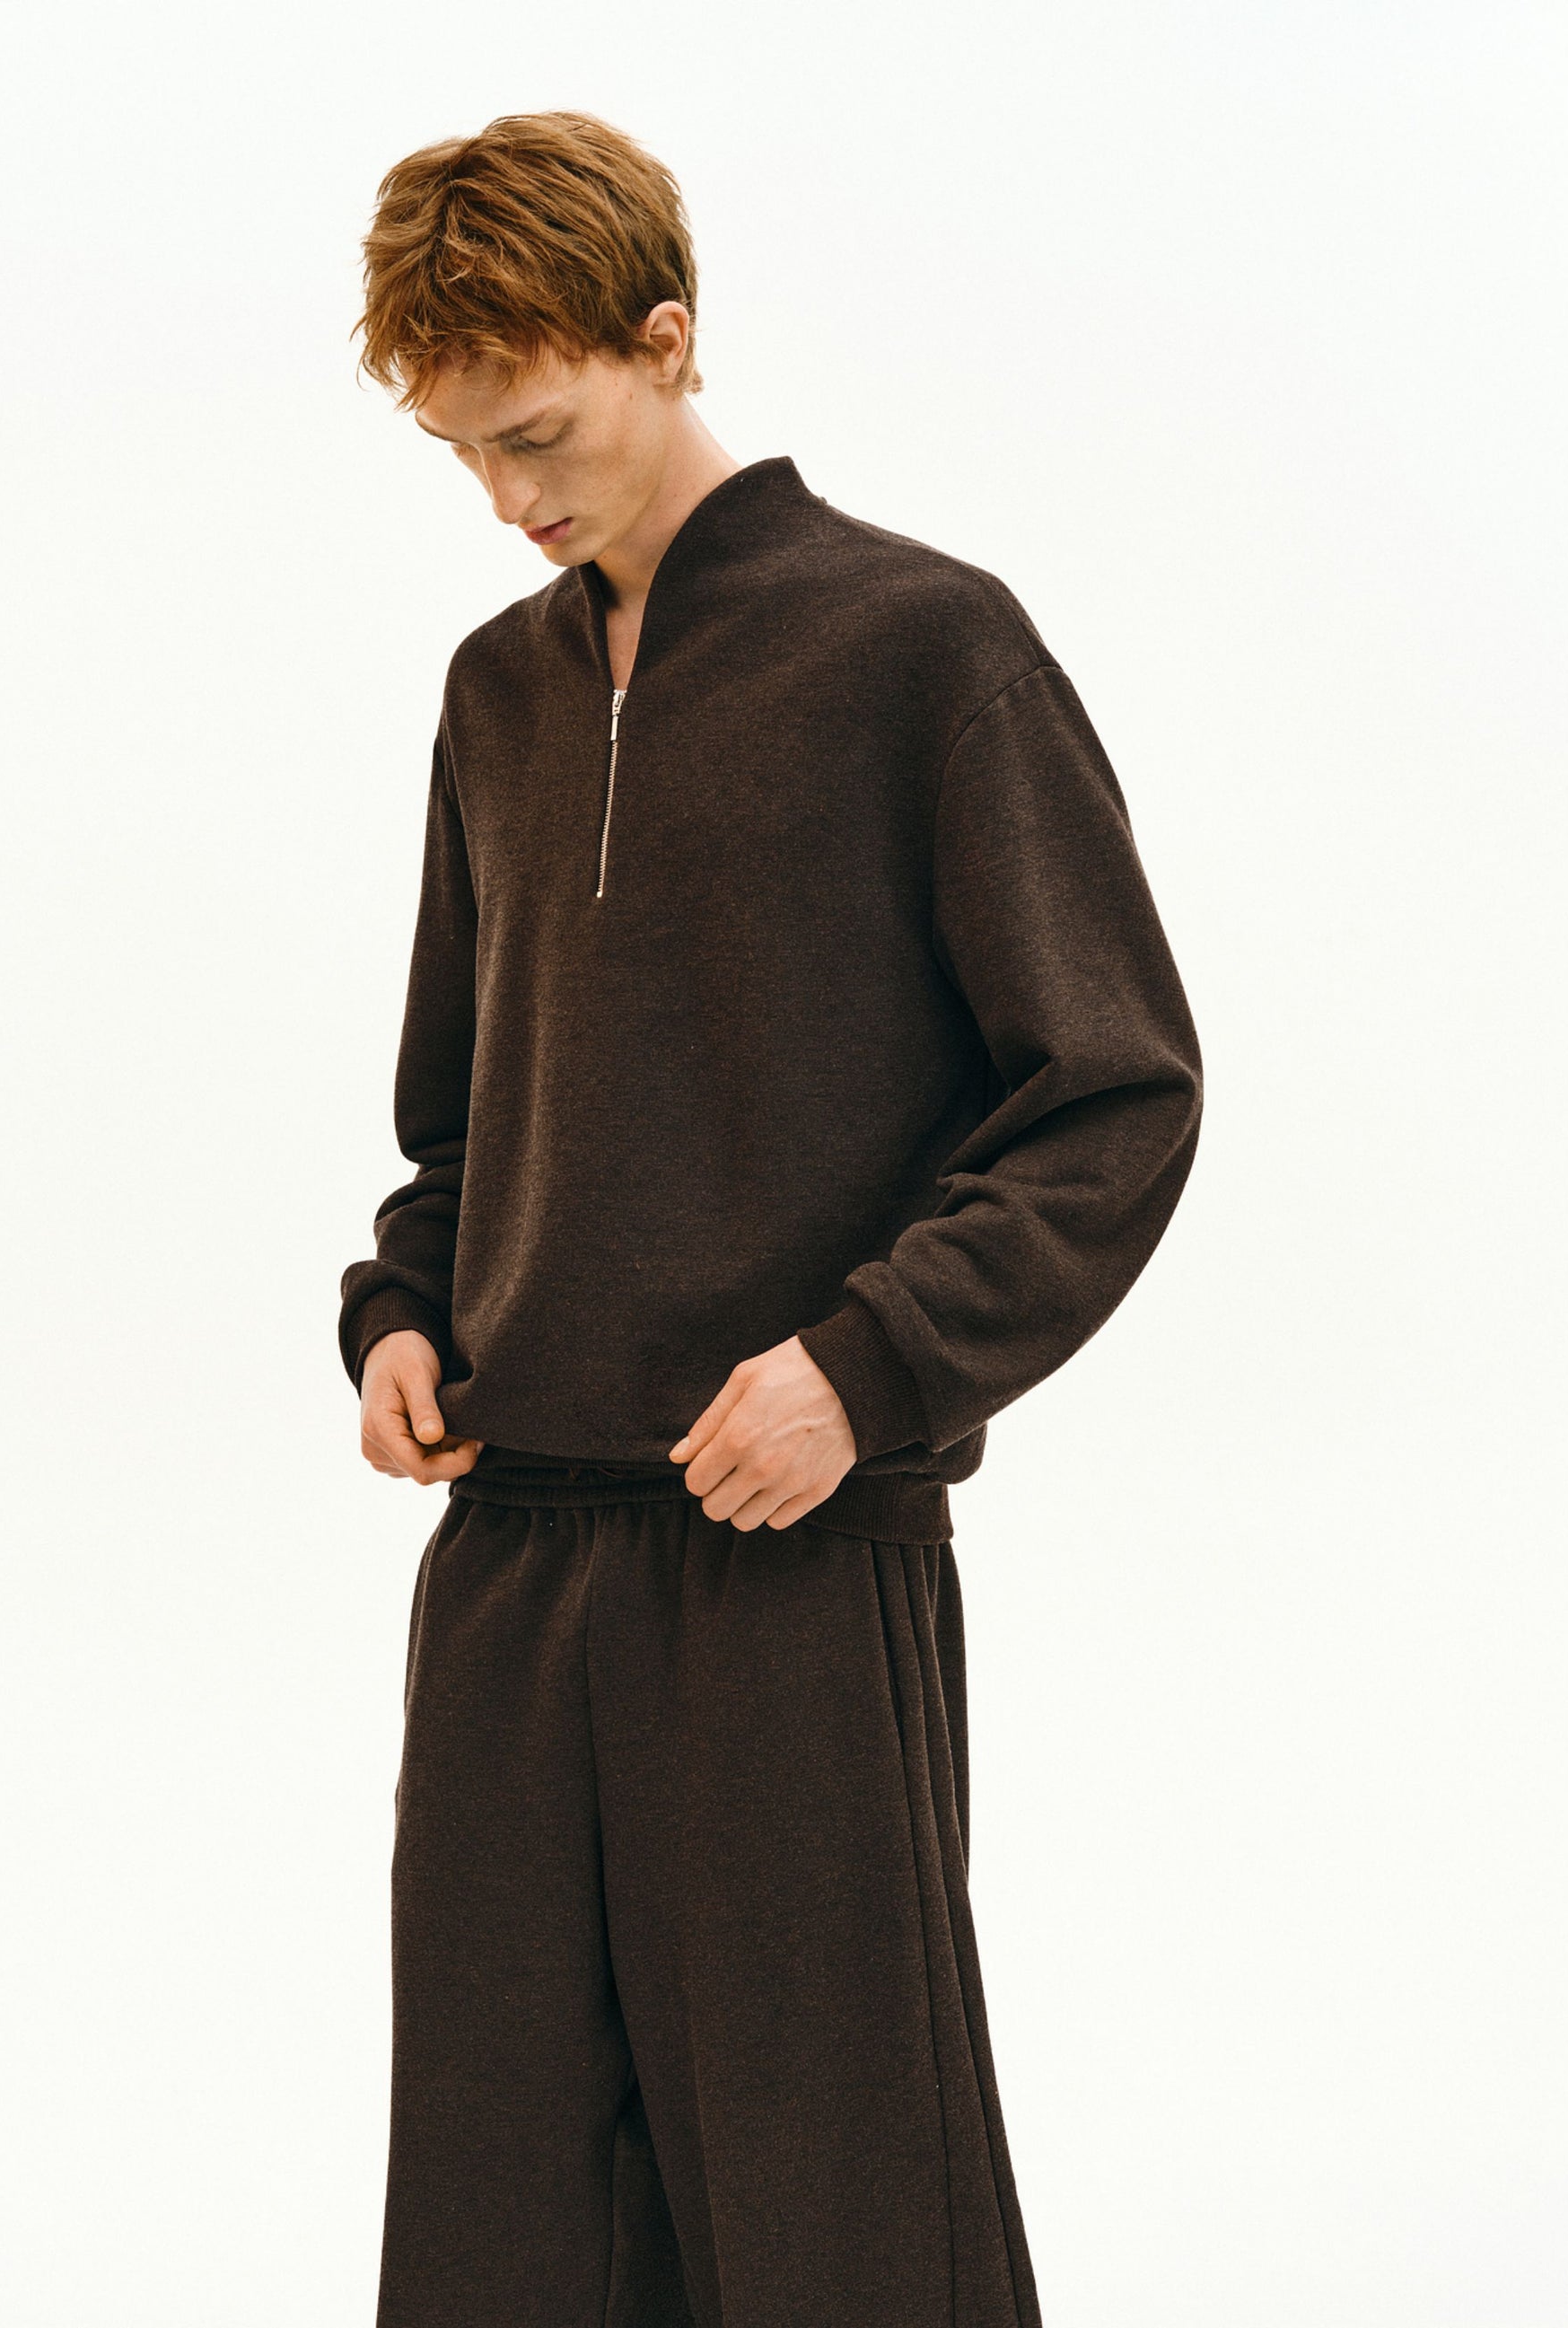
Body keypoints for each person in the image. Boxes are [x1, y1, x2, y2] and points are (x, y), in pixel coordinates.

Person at [338, 110, 1202, 2328]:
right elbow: (457, 1118)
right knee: (508, 2221)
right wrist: (403, 1314)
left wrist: (865, 1367)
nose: (506, 500)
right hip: (511, 1560)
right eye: (460, 455)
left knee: (841, 2218)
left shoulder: (923, 650)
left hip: (788, 1553)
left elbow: (1114, 1095)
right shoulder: (498, 695)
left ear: (667, 337)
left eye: (536, 434)